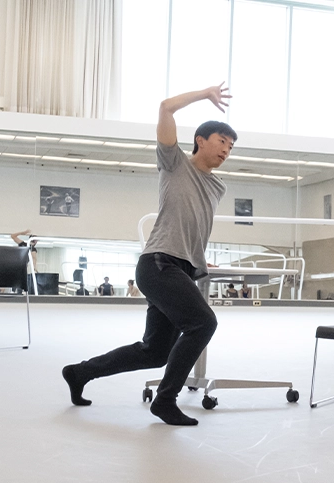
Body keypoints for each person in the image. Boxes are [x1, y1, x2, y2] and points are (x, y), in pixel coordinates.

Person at [62, 83, 236, 426]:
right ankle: (165, 400)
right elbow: (166, 108)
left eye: (231, 146)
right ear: (201, 140)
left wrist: (199, 258)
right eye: (221, 141)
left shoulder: (218, 186)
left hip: (181, 267)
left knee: (154, 352)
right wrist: (205, 94)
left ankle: (79, 372)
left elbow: (193, 223)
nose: (227, 150)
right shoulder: (174, 164)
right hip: (158, 263)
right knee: (203, 322)